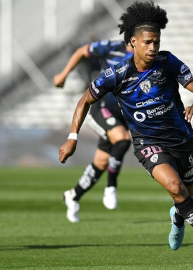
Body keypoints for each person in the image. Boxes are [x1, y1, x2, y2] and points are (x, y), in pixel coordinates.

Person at [58, 1, 193, 264]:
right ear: (133, 43)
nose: (153, 48)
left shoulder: (167, 61)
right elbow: (84, 100)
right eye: (148, 42)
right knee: (175, 188)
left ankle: (177, 217)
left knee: (185, 199)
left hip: (182, 140)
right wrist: (72, 138)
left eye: (156, 42)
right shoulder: (116, 73)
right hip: (148, 144)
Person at [55, 39, 134, 223]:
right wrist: (64, 74)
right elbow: (82, 51)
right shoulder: (112, 47)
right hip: (100, 106)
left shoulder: (144, 57)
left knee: (100, 163)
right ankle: (111, 187)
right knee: (122, 140)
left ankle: (73, 196)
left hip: (122, 113)